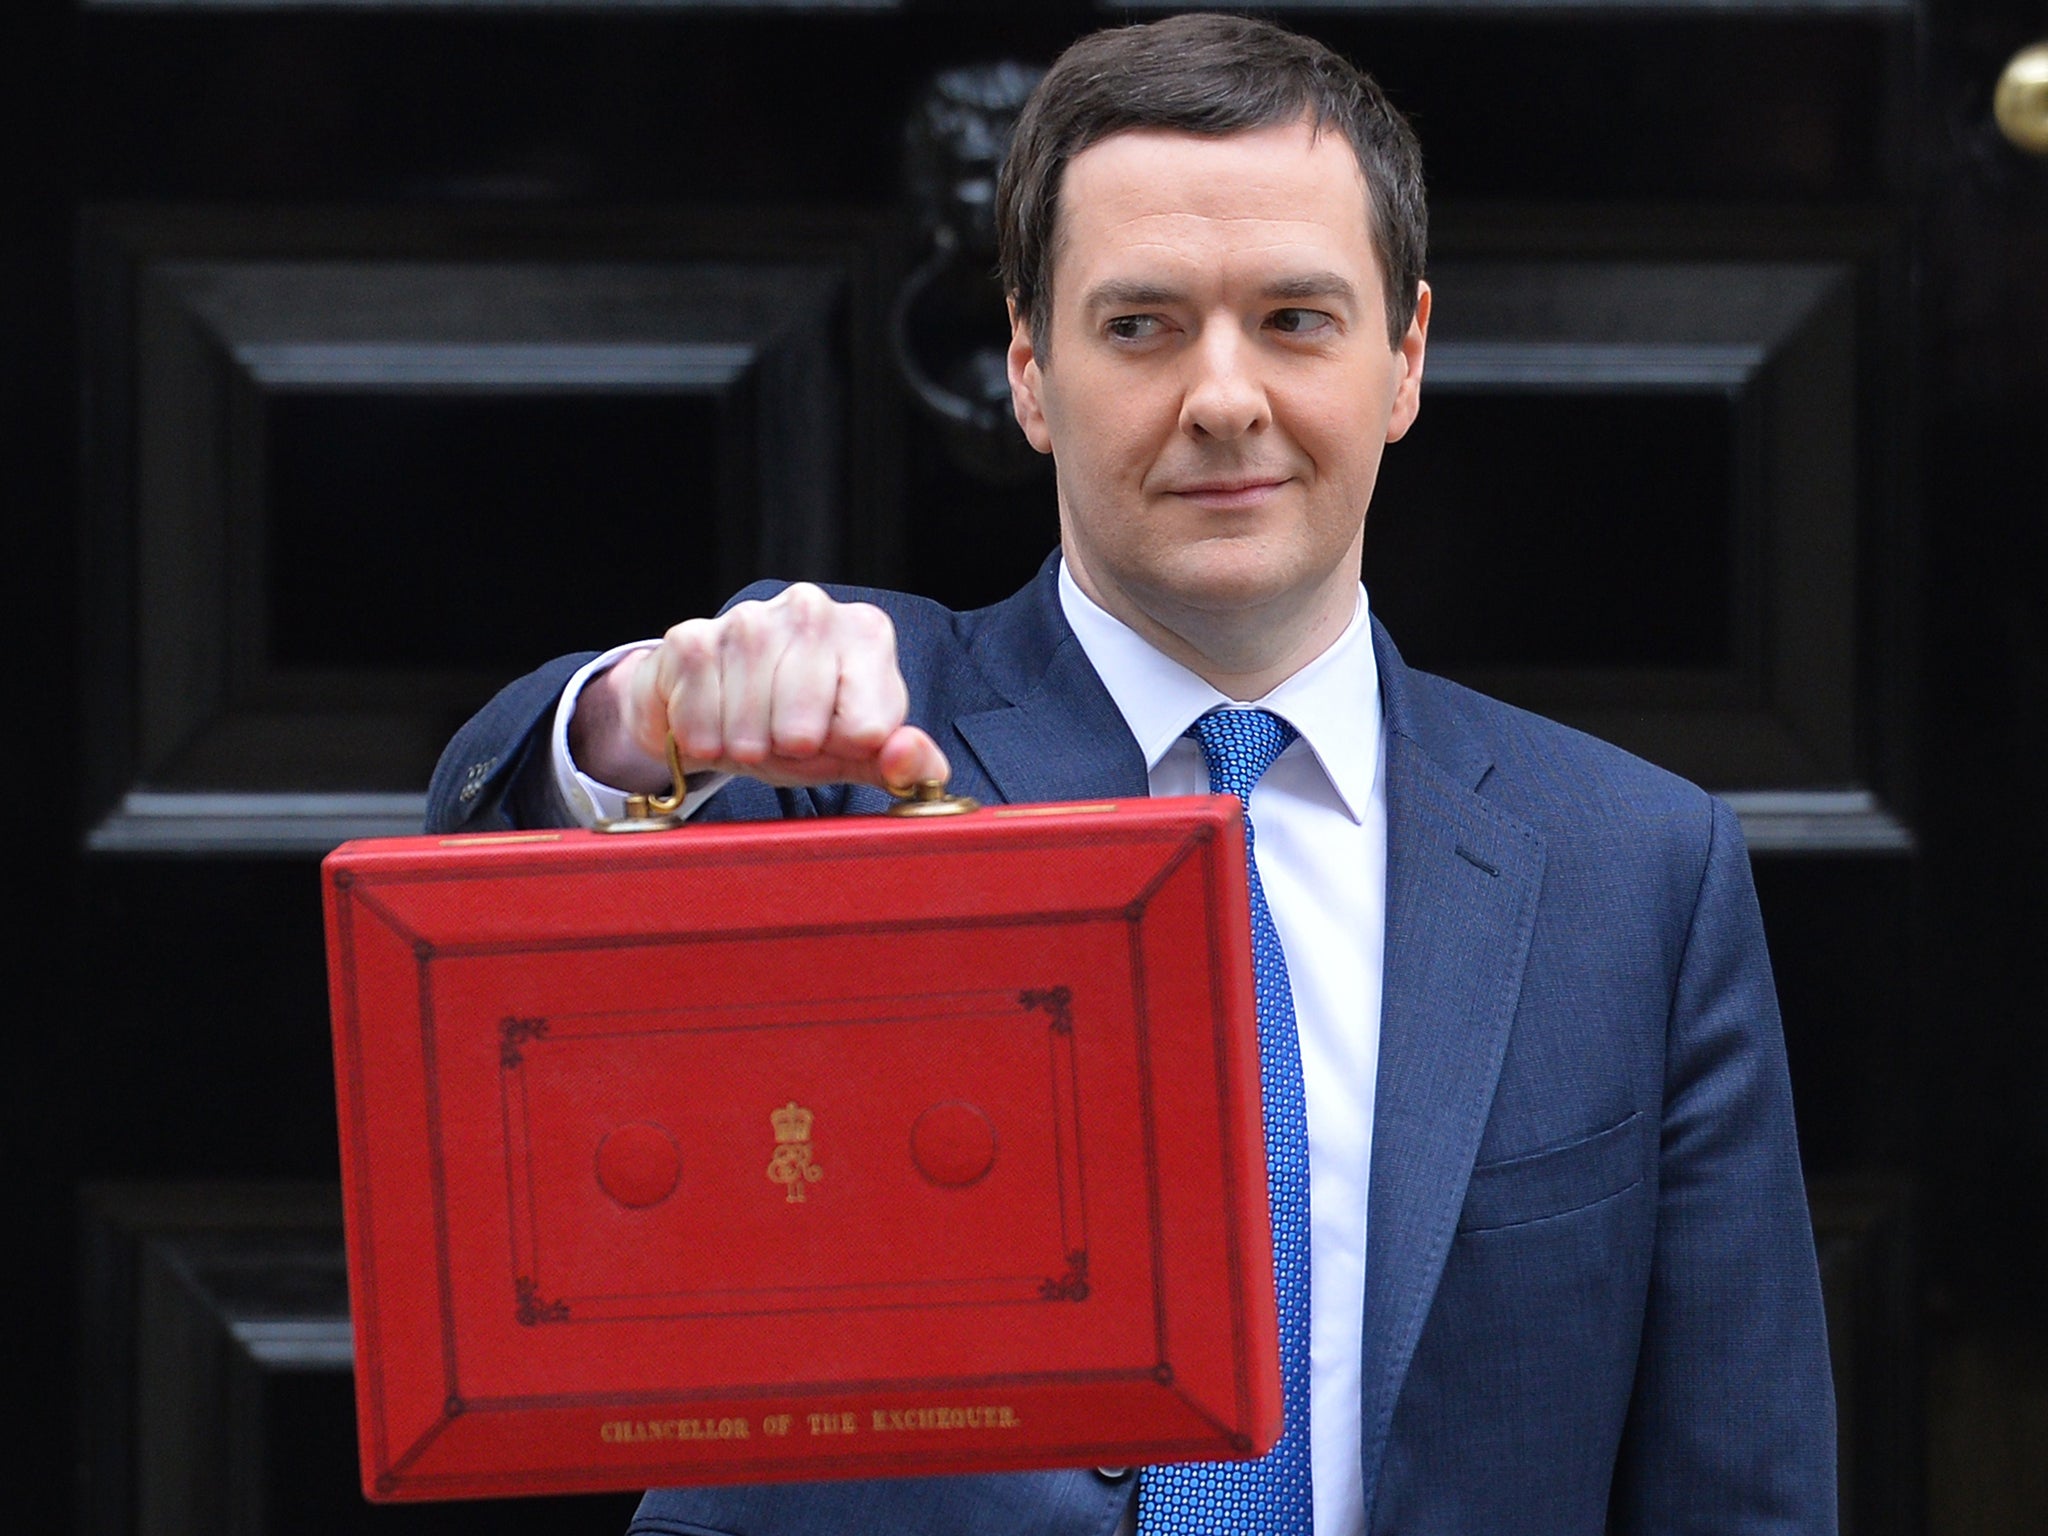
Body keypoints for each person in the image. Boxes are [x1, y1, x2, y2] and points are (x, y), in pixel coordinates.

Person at [428, 13, 1837, 1535]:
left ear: (1407, 355)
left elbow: (1736, 1479)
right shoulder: (842, 751)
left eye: (1296, 319)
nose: (1223, 396)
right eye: (1141, 326)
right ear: (1031, 371)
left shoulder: (1634, 867)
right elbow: (490, 863)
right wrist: (649, 719)